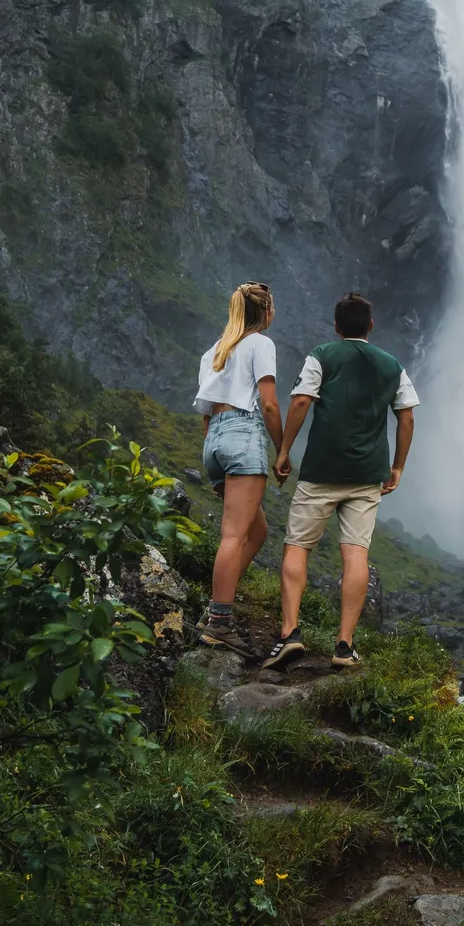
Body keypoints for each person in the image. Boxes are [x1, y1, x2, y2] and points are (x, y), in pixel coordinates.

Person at [265, 291, 418, 671]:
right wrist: (397, 466)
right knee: (356, 554)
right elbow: (407, 417)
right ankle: (344, 645)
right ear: (371, 325)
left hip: (320, 470)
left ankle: (289, 634)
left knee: (298, 546)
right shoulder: (392, 364)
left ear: (336, 327)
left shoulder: (322, 355)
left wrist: (284, 451)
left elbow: (300, 401)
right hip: (368, 475)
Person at [193, 280, 282, 657]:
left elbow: (206, 413)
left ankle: (217, 604)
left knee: (256, 530)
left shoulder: (214, 350)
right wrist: (283, 451)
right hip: (244, 433)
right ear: (266, 313)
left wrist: (217, 446)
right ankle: (219, 623)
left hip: (214, 439)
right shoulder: (261, 344)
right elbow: (270, 405)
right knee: (233, 535)